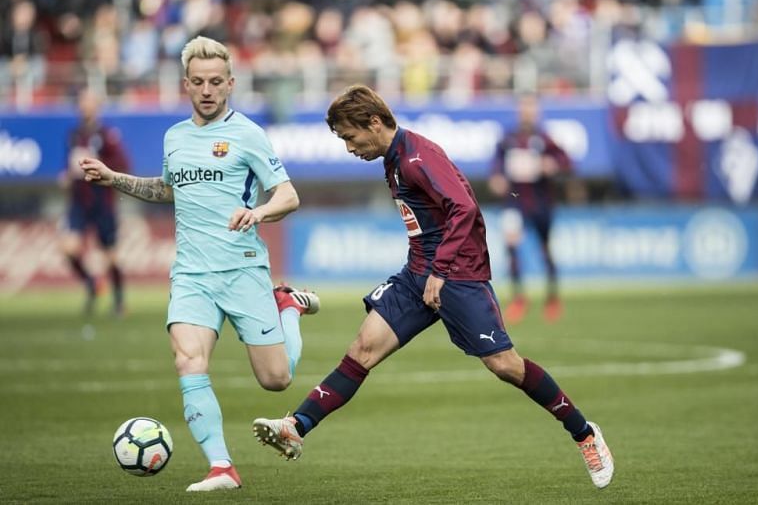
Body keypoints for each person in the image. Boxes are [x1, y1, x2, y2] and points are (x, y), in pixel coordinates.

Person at [252, 85, 614, 489]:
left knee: (505, 366)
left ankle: (583, 432)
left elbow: (465, 207)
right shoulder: (393, 159)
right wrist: (428, 269)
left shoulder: (417, 157)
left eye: (350, 137)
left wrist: (441, 270)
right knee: (362, 349)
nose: (349, 148)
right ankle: (296, 426)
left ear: (374, 122)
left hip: (456, 275)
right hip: (418, 274)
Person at [79, 36, 320, 492]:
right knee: (188, 360)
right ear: (185, 85)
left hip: (244, 267)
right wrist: (113, 179)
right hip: (191, 272)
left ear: (230, 84)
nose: (207, 90)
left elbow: (288, 195)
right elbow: (167, 189)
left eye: (215, 82)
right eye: (198, 82)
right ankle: (221, 467)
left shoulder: (248, 134)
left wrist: (259, 212)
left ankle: (287, 306)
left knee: (276, 380)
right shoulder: (175, 137)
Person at [488, 94, 572, 324]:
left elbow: (566, 163)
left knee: (545, 250)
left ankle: (552, 298)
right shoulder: (508, 139)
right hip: (514, 202)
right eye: (524, 108)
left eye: (531, 108)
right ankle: (518, 298)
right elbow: (496, 166)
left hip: (541, 202)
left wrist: (553, 166)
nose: (527, 112)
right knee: (512, 247)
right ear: (519, 111)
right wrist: (497, 178)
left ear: (537, 112)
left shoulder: (545, 139)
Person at [59, 88, 130, 316]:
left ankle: (119, 301)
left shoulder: (107, 135)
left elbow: (123, 164)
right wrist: (67, 176)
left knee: (109, 255)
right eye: (82, 102)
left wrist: (102, 166)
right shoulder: (74, 135)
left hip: (101, 200)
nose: (84, 106)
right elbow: (71, 165)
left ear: (97, 106)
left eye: (89, 102)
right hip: (79, 201)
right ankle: (92, 283)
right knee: (69, 249)